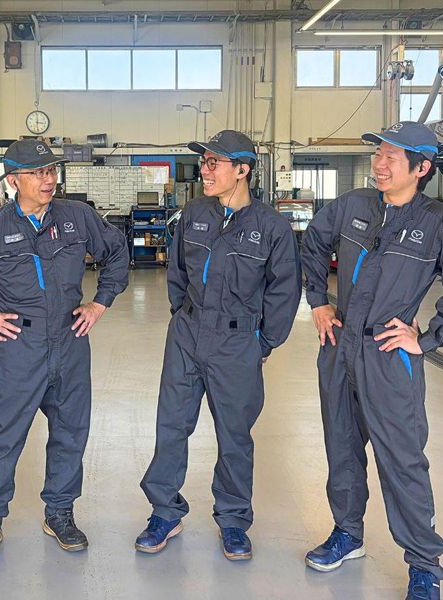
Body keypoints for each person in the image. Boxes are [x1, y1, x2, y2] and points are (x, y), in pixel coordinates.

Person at [300, 121, 443, 600]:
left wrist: (426, 340)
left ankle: (424, 565)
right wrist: (318, 301)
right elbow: (311, 243)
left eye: (391, 157)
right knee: (342, 449)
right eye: (378, 154)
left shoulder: (439, 224)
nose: (379, 164)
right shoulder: (353, 205)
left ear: (421, 168)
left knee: (402, 461)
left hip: (388, 358)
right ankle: (348, 534)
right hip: (339, 346)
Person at [0, 139, 129, 567]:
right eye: (38, 173)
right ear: (13, 180)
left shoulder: (77, 217)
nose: (48, 179)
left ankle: (60, 512)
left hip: (70, 341)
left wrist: (100, 303)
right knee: (4, 437)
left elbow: (116, 253)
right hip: (19, 347)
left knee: (71, 431)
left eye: (51, 171)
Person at [136, 130, 302, 560]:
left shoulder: (271, 228)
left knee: (234, 435)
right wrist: (182, 315)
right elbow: (177, 272)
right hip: (188, 334)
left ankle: (233, 520)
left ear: (242, 170)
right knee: (171, 425)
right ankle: (164, 512)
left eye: (214, 163)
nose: (205, 171)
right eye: (204, 162)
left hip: (236, 342)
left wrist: (263, 343)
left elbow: (285, 291)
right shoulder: (194, 213)